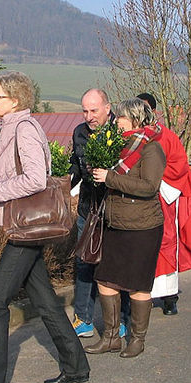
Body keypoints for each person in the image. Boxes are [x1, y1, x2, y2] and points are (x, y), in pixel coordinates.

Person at [0, 72, 90, 383]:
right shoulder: (10, 129)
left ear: (15, 100)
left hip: (26, 230)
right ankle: (75, 366)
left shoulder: (23, 130)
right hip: (22, 227)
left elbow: (34, 179)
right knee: (44, 299)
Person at [86, 98, 166, 358]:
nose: (116, 121)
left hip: (142, 227)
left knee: (138, 286)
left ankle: (137, 339)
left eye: (121, 117)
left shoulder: (151, 149)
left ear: (135, 118)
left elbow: (149, 187)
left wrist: (110, 177)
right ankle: (110, 338)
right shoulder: (118, 147)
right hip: (115, 223)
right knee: (105, 280)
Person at [135, 92, 191, 316]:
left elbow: (179, 166)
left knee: (165, 244)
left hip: (163, 198)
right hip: (138, 201)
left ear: (153, 111)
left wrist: (154, 182)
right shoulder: (131, 136)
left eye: (145, 109)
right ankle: (142, 296)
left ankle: (169, 297)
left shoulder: (167, 137)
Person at [68, 88, 113, 338]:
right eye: (84, 111)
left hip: (115, 210)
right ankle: (83, 318)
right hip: (88, 207)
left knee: (114, 266)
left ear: (108, 108)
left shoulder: (121, 130)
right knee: (84, 261)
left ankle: (119, 320)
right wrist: (66, 180)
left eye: (94, 110)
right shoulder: (79, 132)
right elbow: (75, 163)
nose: (89, 116)